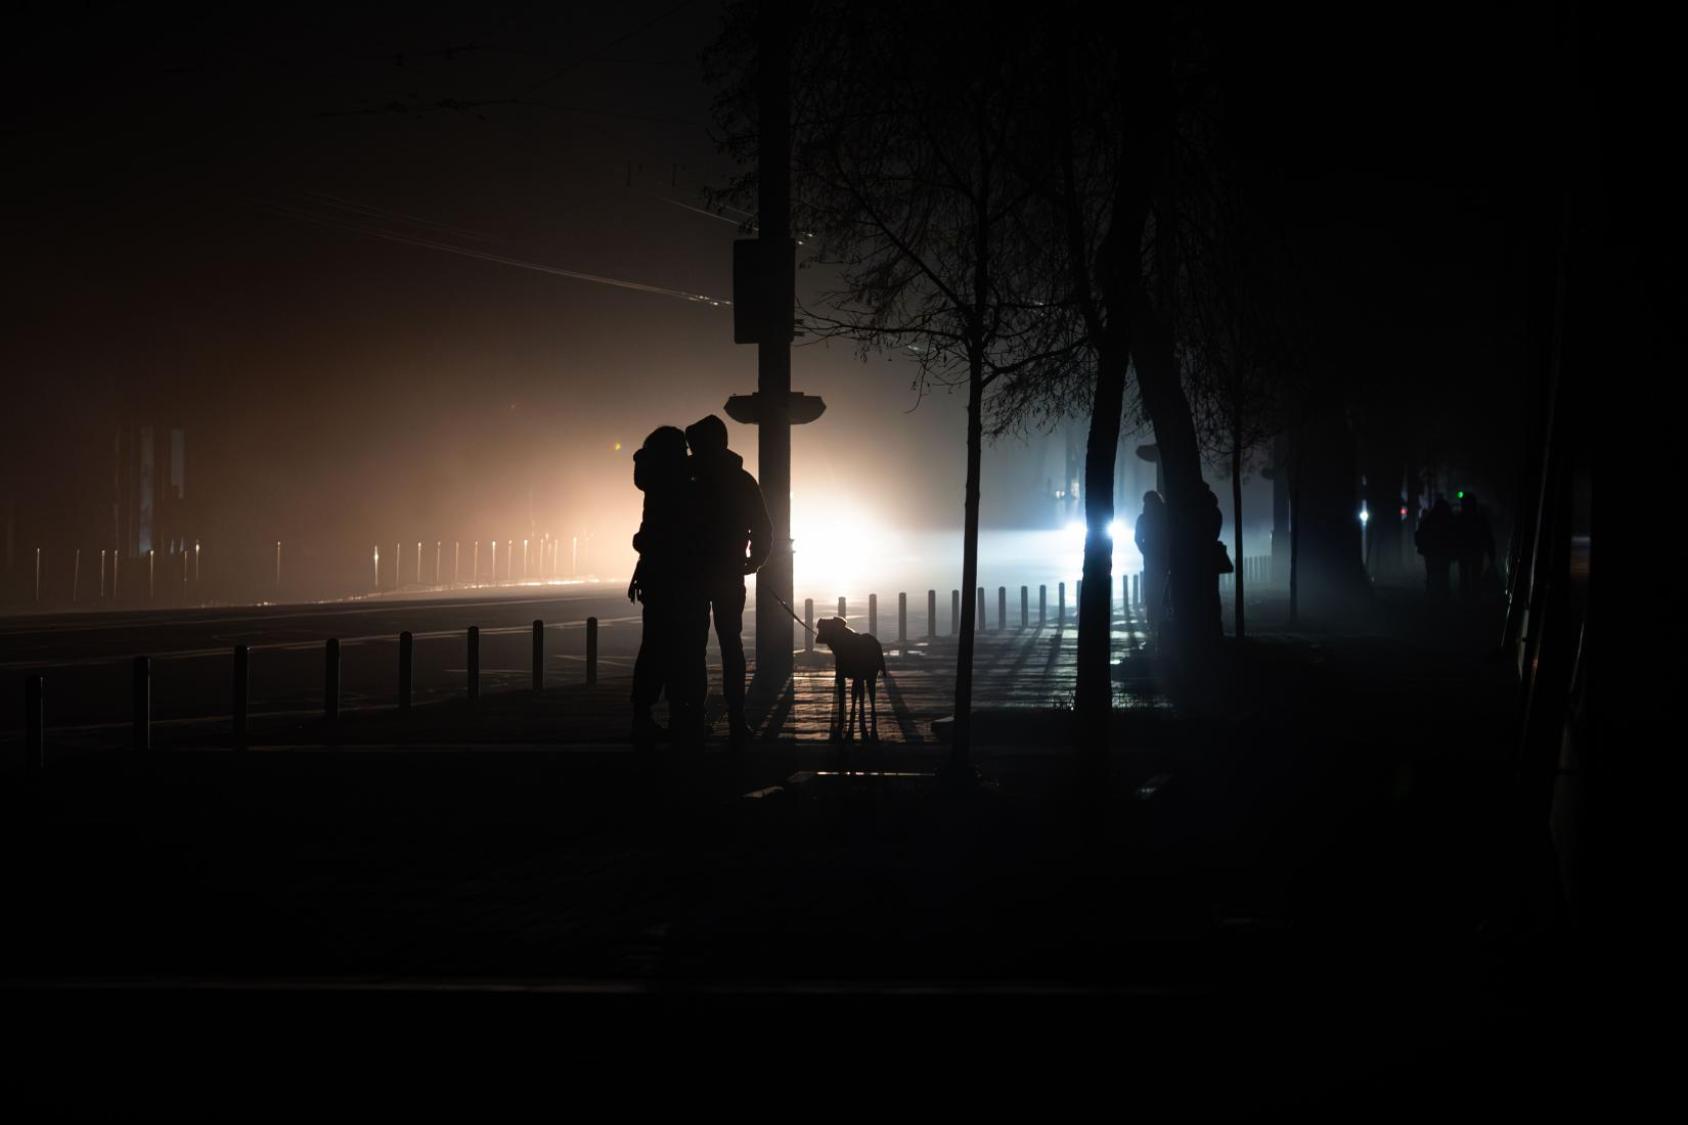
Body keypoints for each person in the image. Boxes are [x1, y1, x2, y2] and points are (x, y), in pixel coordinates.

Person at [683, 414, 772, 746]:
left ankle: (693, 716)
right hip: (729, 572)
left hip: (693, 575)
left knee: (693, 648)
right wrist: (754, 560)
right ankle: (736, 716)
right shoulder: (742, 480)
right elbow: (763, 528)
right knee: (730, 645)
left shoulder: (687, 480)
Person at [627, 426, 709, 745]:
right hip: (683, 577)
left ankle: (643, 714)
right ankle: (680, 714)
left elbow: (650, 532)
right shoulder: (680, 483)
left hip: (655, 575)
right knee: (684, 649)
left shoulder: (653, 481)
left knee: (654, 646)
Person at [1134, 491, 1169, 641]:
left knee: (1153, 589)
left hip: (1154, 558)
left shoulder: (1144, 518)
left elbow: (1137, 539)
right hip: (1161, 558)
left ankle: (1154, 621)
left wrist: (1145, 551)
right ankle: (1159, 621)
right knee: (1160, 589)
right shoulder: (1164, 516)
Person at [1455, 491, 1497, 604]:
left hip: (1464, 551)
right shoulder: (1480, 519)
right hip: (1476, 552)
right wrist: (1491, 554)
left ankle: (1465, 600)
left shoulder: (1460, 518)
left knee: (1464, 577)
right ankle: (1474, 600)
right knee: (1475, 577)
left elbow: (1454, 535)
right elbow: (1488, 537)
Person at [1415, 496, 1456, 605]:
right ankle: (1443, 594)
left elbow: (1420, 534)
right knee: (1443, 573)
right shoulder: (1448, 520)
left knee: (1431, 572)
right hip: (1443, 552)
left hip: (1431, 552)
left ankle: (1431, 593)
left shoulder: (1429, 519)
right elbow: (1454, 536)